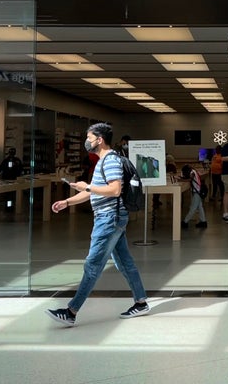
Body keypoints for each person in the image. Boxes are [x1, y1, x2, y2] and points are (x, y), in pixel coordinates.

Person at [45, 123, 149, 326]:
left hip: (109, 218)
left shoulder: (109, 161)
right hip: (112, 217)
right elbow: (93, 190)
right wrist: (67, 201)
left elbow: (115, 190)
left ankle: (71, 311)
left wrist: (89, 187)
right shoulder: (104, 161)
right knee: (124, 263)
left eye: (89, 137)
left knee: (93, 264)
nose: (87, 141)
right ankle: (141, 302)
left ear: (99, 139)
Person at [181, 164, 208, 229]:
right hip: (199, 191)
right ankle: (203, 221)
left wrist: (180, 179)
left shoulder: (192, 172)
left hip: (197, 192)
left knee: (193, 208)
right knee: (200, 207)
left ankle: (185, 222)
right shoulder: (194, 171)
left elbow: (189, 179)